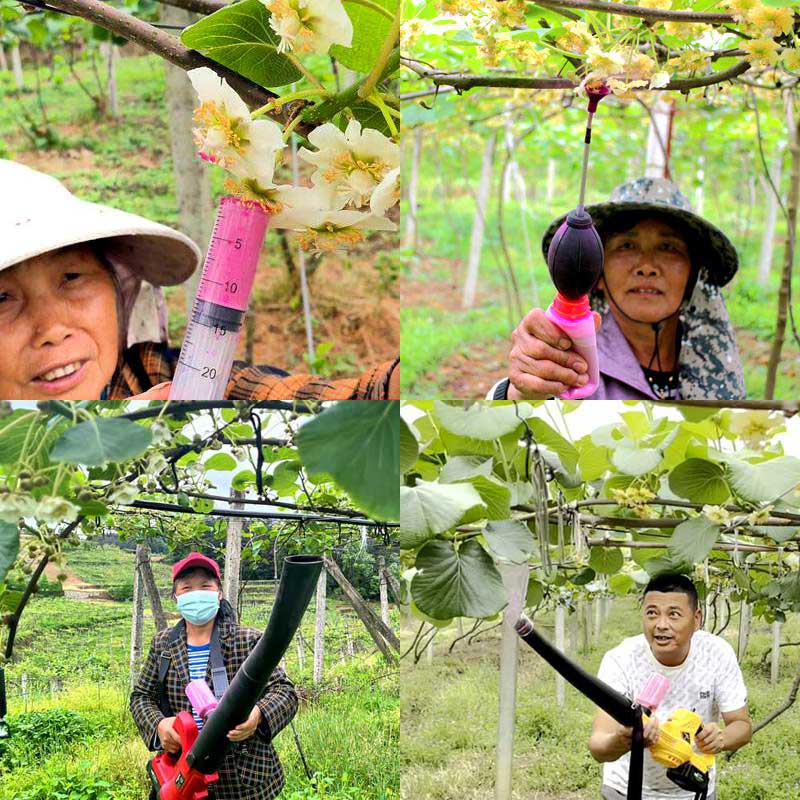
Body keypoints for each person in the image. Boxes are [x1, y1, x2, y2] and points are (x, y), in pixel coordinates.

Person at [0, 159, 399, 400]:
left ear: (116, 289)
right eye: (1, 299)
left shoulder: (167, 375)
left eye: (71, 276)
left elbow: (354, 401)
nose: (52, 329)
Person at [491, 178, 745, 400]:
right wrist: (521, 393)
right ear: (596, 273)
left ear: (693, 276)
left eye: (668, 247)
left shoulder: (714, 363)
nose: (647, 266)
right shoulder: (569, 360)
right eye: (626, 246)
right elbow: (507, 435)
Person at [130, 552, 297, 800]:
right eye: (187, 588)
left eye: (205, 586)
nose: (196, 593)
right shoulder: (164, 644)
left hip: (242, 778)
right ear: (176, 597)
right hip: (183, 773)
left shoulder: (247, 640)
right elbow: (141, 696)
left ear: (218, 593)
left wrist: (257, 715)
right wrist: (159, 725)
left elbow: (285, 692)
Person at [589, 574, 751, 800]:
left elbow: (742, 726)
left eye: (674, 614)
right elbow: (598, 747)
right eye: (652, 613)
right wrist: (625, 739)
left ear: (697, 619)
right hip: (626, 790)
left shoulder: (717, 654)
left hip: (692, 789)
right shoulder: (621, 659)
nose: (661, 625)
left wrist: (721, 738)